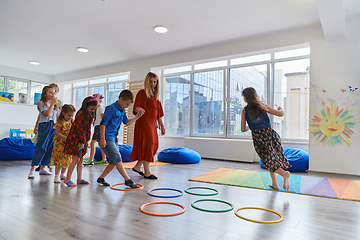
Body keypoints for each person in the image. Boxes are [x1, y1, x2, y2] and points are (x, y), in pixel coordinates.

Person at [241, 87, 291, 191]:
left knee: (266, 160)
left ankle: (284, 173)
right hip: (271, 135)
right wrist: (280, 109)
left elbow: (242, 129)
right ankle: (275, 183)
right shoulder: (264, 107)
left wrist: (251, 126)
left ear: (245, 99)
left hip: (259, 137)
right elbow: (281, 114)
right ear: (255, 96)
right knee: (270, 159)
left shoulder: (245, 111)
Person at [97, 90, 142, 188]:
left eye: (129, 105)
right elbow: (103, 124)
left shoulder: (122, 110)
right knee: (118, 158)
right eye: (126, 104)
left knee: (113, 161)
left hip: (113, 137)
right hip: (106, 136)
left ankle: (101, 178)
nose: (127, 106)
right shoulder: (111, 108)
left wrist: (137, 117)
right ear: (120, 99)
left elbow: (126, 122)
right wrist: (102, 139)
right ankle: (128, 180)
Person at [130, 72, 165, 180]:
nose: (152, 84)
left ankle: (137, 167)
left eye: (155, 82)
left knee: (153, 145)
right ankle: (147, 172)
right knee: (148, 145)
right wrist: (138, 109)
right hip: (144, 124)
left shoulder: (156, 98)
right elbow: (135, 107)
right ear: (146, 82)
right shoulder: (142, 93)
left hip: (152, 125)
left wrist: (162, 126)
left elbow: (158, 114)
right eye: (150, 81)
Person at [63, 96, 98, 187]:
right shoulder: (81, 114)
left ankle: (79, 178)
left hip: (82, 139)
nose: (92, 111)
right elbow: (80, 130)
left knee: (81, 159)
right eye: (91, 109)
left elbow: (88, 129)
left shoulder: (89, 115)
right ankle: (67, 179)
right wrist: (82, 141)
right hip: (76, 139)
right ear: (86, 106)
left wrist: (87, 140)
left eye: (94, 109)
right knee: (76, 159)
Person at [28, 85, 60, 179]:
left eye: (54, 92)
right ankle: (32, 169)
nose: (53, 94)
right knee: (41, 147)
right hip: (45, 125)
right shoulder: (42, 103)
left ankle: (43, 167)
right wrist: (53, 104)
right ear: (45, 94)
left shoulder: (55, 105)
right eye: (50, 92)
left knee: (50, 147)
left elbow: (57, 116)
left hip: (53, 126)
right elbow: (47, 114)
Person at [50, 104, 76, 183]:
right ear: (63, 113)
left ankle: (63, 174)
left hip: (68, 144)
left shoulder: (71, 121)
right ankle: (57, 175)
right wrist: (65, 138)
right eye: (68, 115)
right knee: (59, 159)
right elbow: (57, 133)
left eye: (72, 115)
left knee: (67, 159)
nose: (70, 117)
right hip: (60, 144)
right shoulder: (60, 122)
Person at [83, 93, 107, 166]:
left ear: (100, 101)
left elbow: (103, 117)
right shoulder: (97, 108)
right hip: (97, 126)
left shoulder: (100, 108)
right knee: (99, 144)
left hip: (99, 127)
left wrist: (100, 127)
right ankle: (104, 159)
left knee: (92, 143)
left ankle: (91, 159)